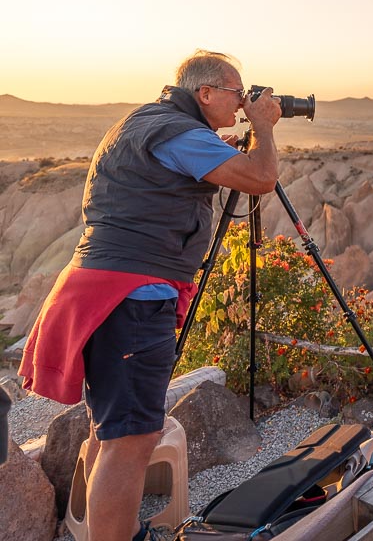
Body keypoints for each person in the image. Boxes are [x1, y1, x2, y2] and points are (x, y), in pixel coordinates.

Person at [19, 51, 282, 541]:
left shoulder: (150, 122)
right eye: (236, 93)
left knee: (113, 433)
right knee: (134, 440)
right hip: (133, 298)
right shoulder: (181, 133)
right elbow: (262, 179)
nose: (243, 101)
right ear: (205, 94)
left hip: (106, 289)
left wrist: (215, 146)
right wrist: (264, 129)